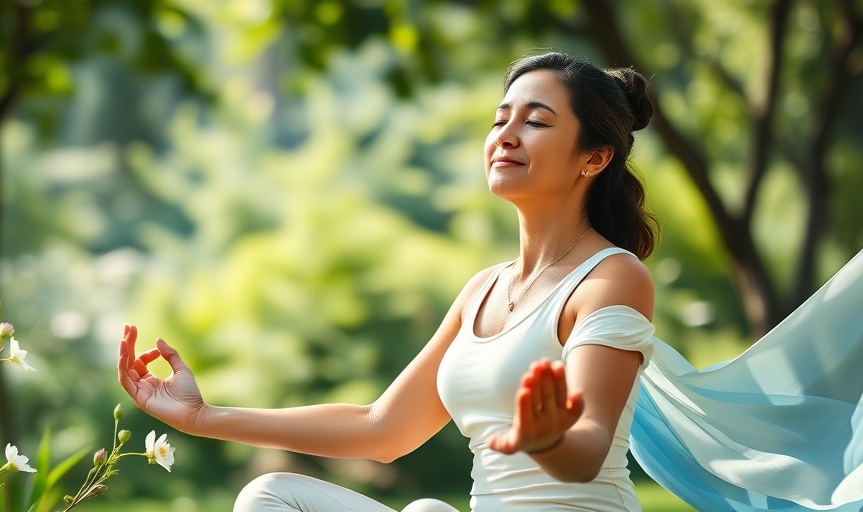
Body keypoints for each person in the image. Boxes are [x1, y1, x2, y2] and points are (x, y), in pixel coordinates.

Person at [118, 51, 863, 511]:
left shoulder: (613, 280)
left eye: (536, 121)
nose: (506, 134)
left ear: (593, 157)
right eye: (501, 117)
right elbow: (383, 432)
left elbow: (588, 445)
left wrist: (546, 437)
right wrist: (201, 417)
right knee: (270, 496)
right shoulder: (481, 291)